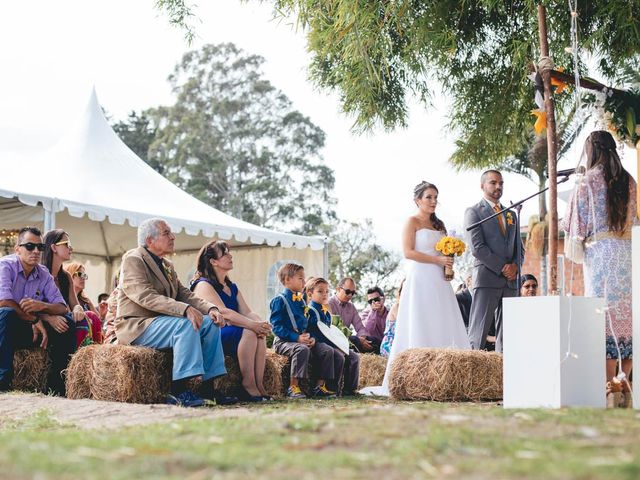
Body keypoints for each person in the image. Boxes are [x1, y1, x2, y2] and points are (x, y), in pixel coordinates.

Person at [362, 182, 471, 396]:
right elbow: (408, 252)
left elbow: (445, 252)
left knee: (442, 318)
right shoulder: (411, 222)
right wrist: (436, 259)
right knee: (421, 319)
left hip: (440, 279)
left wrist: (448, 263)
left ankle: (449, 376)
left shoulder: (440, 225)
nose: (433, 201)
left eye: (435, 197)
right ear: (417, 200)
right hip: (421, 276)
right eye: (428, 197)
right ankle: (415, 377)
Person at [115, 218, 233, 407]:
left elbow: (184, 293)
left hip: (162, 322)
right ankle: (178, 391)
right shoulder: (133, 259)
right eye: (166, 233)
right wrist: (184, 309)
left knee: (209, 323)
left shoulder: (167, 265)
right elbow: (145, 295)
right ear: (149, 240)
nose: (173, 236)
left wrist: (211, 308)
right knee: (186, 323)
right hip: (137, 325)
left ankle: (208, 388)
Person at [562, 130, 638, 384]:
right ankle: (624, 381)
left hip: (601, 257)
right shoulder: (630, 181)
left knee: (603, 316)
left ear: (591, 150)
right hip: (628, 255)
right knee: (627, 317)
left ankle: (608, 384)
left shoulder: (587, 181)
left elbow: (574, 222)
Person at [191, 240, 272, 402]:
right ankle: (247, 384)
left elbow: (247, 311)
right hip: (213, 333)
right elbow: (224, 313)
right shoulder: (203, 285)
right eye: (225, 253)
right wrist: (253, 326)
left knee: (258, 332)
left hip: (233, 331)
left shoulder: (231, 286)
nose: (230, 256)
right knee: (250, 331)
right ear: (213, 261)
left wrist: (260, 323)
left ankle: (259, 384)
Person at [0, 227, 76, 395]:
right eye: (29, 246)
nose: (35, 251)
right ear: (17, 249)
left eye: (40, 247)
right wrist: (34, 319)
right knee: (7, 314)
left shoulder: (43, 273)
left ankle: (57, 387)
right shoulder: (5, 266)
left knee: (68, 322)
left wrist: (42, 307)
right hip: (6, 327)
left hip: (29, 330)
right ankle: (2, 384)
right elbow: (4, 301)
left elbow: (62, 307)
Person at [464, 170, 524, 352]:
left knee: (508, 334)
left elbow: (519, 248)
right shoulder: (473, 212)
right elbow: (477, 248)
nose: (498, 186)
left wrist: (515, 266)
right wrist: (502, 267)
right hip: (487, 278)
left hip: (511, 282)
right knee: (478, 332)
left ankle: (505, 373)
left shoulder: (511, 214)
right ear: (482, 186)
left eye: (501, 183)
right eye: (493, 182)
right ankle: (471, 373)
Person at [269, 263, 337, 399]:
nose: (304, 282)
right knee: (302, 349)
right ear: (287, 280)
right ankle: (293, 387)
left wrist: (310, 338)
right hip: (283, 341)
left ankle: (319, 387)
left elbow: (305, 326)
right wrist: (296, 338)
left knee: (327, 350)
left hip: (299, 340)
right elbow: (276, 327)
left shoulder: (301, 302)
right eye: (300, 278)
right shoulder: (279, 300)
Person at [305, 277, 360, 395]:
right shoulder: (310, 311)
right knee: (337, 355)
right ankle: (329, 388)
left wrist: (340, 344)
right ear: (310, 294)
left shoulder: (327, 313)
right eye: (320, 291)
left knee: (354, 356)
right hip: (318, 343)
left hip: (330, 343)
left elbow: (331, 332)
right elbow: (311, 331)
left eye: (326, 291)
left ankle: (349, 389)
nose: (324, 294)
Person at [328, 278, 374, 353]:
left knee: (373, 341)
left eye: (353, 293)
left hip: (348, 339)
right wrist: (359, 340)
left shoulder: (351, 307)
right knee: (356, 340)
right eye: (348, 291)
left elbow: (360, 327)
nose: (350, 295)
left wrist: (362, 338)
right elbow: (334, 330)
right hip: (335, 339)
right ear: (338, 289)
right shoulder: (329, 304)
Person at [64, 263, 103, 347]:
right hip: (71, 339)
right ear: (70, 276)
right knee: (90, 315)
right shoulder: (63, 297)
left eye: (84, 275)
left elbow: (98, 320)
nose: (83, 278)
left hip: (90, 342)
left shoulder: (85, 300)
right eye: (79, 274)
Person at [359, 286, 389, 354]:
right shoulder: (365, 313)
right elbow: (367, 331)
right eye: (370, 301)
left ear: (383, 298)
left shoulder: (391, 313)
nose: (373, 303)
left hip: (389, 345)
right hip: (375, 346)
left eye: (376, 299)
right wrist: (373, 312)